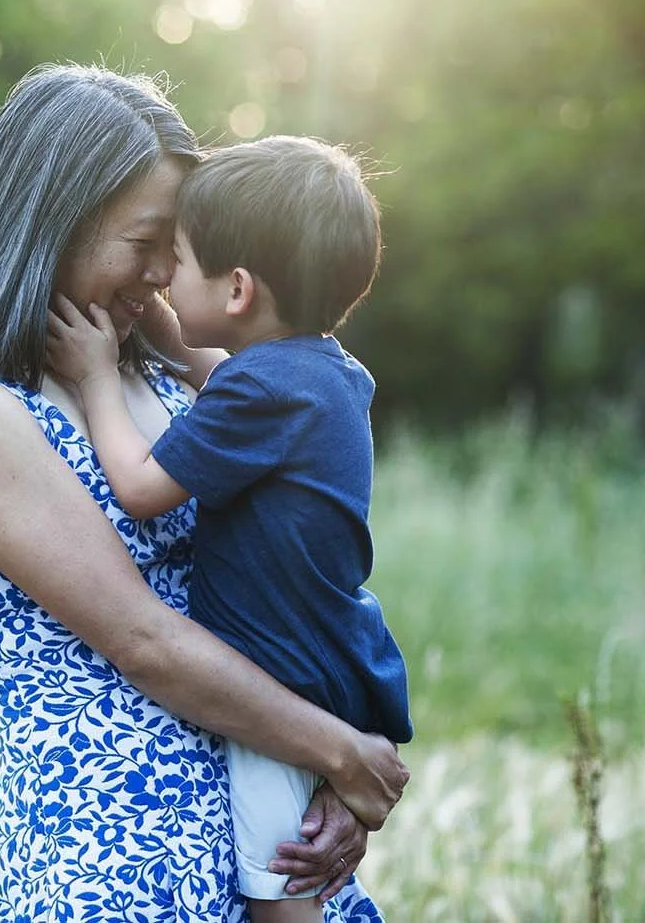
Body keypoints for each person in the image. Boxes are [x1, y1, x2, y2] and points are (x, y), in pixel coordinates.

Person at [0, 65, 408, 922]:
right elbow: (144, 640)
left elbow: (296, 553)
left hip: (263, 833)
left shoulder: (172, 376)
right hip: (114, 860)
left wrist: (330, 776)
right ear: (54, 223)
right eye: (147, 243)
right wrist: (340, 751)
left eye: (179, 248)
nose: (167, 272)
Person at [44, 135, 413, 923]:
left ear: (238, 289)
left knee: (278, 880)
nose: (161, 279)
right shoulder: (322, 371)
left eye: (176, 261)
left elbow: (142, 489)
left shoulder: (260, 393)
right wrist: (166, 330)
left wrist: (98, 376)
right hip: (333, 654)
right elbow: (217, 373)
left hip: (281, 675)